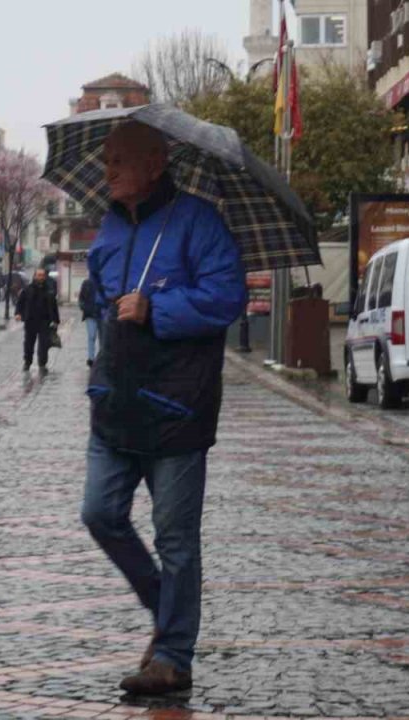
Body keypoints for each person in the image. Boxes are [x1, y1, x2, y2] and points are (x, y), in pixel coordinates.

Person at [80, 122, 246, 696]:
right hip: (117, 401)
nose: (109, 172)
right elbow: (101, 292)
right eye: (105, 161)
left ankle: (172, 656)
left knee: (175, 539)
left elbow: (228, 298)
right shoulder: (108, 224)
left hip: (177, 406)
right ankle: (165, 606)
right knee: (99, 512)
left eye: (119, 160)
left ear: (156, 163)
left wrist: (158, 308)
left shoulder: (198, 221)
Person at [14, 267, 60, 373]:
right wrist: (18, 313)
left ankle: (42, 364)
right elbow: (20, 303)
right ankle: (27, 362)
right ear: (35, 276)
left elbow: (54, 306)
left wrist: (56, 321)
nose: (40, 277)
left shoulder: (49, 290)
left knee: (44, 344)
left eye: (42, 275)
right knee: (29, 343)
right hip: (30, 320)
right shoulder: (28, 289)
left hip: (45, 321)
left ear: (45, 277)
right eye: (38, 275)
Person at [79, 276, 102, 366]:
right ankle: (91, 358)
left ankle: (101, 358)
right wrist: (84, 307)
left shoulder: (103, 282)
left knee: (102, 337)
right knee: (91, 336)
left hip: (102, 315)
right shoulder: (86, 283)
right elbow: (81, 297)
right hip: (90, 315)